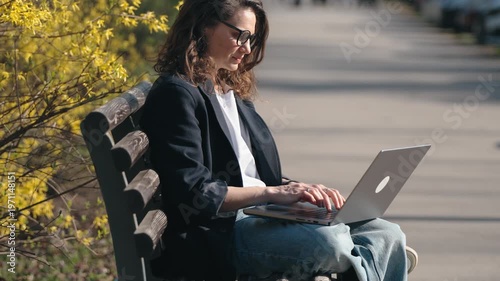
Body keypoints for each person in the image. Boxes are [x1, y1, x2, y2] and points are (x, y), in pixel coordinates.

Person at [140, 0, 410, 280]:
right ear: (202, 28)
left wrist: (301, 191)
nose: (246, 48)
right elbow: (195, 192)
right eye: (239, 35)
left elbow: (253, 174)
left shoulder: (230, 92)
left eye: (251, 38)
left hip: (263, 214)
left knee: (388, 234)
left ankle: (363, 263)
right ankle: (367, 264)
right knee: (331, 244)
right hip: (222, 233)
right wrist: (271, 194)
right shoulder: (177, 94)